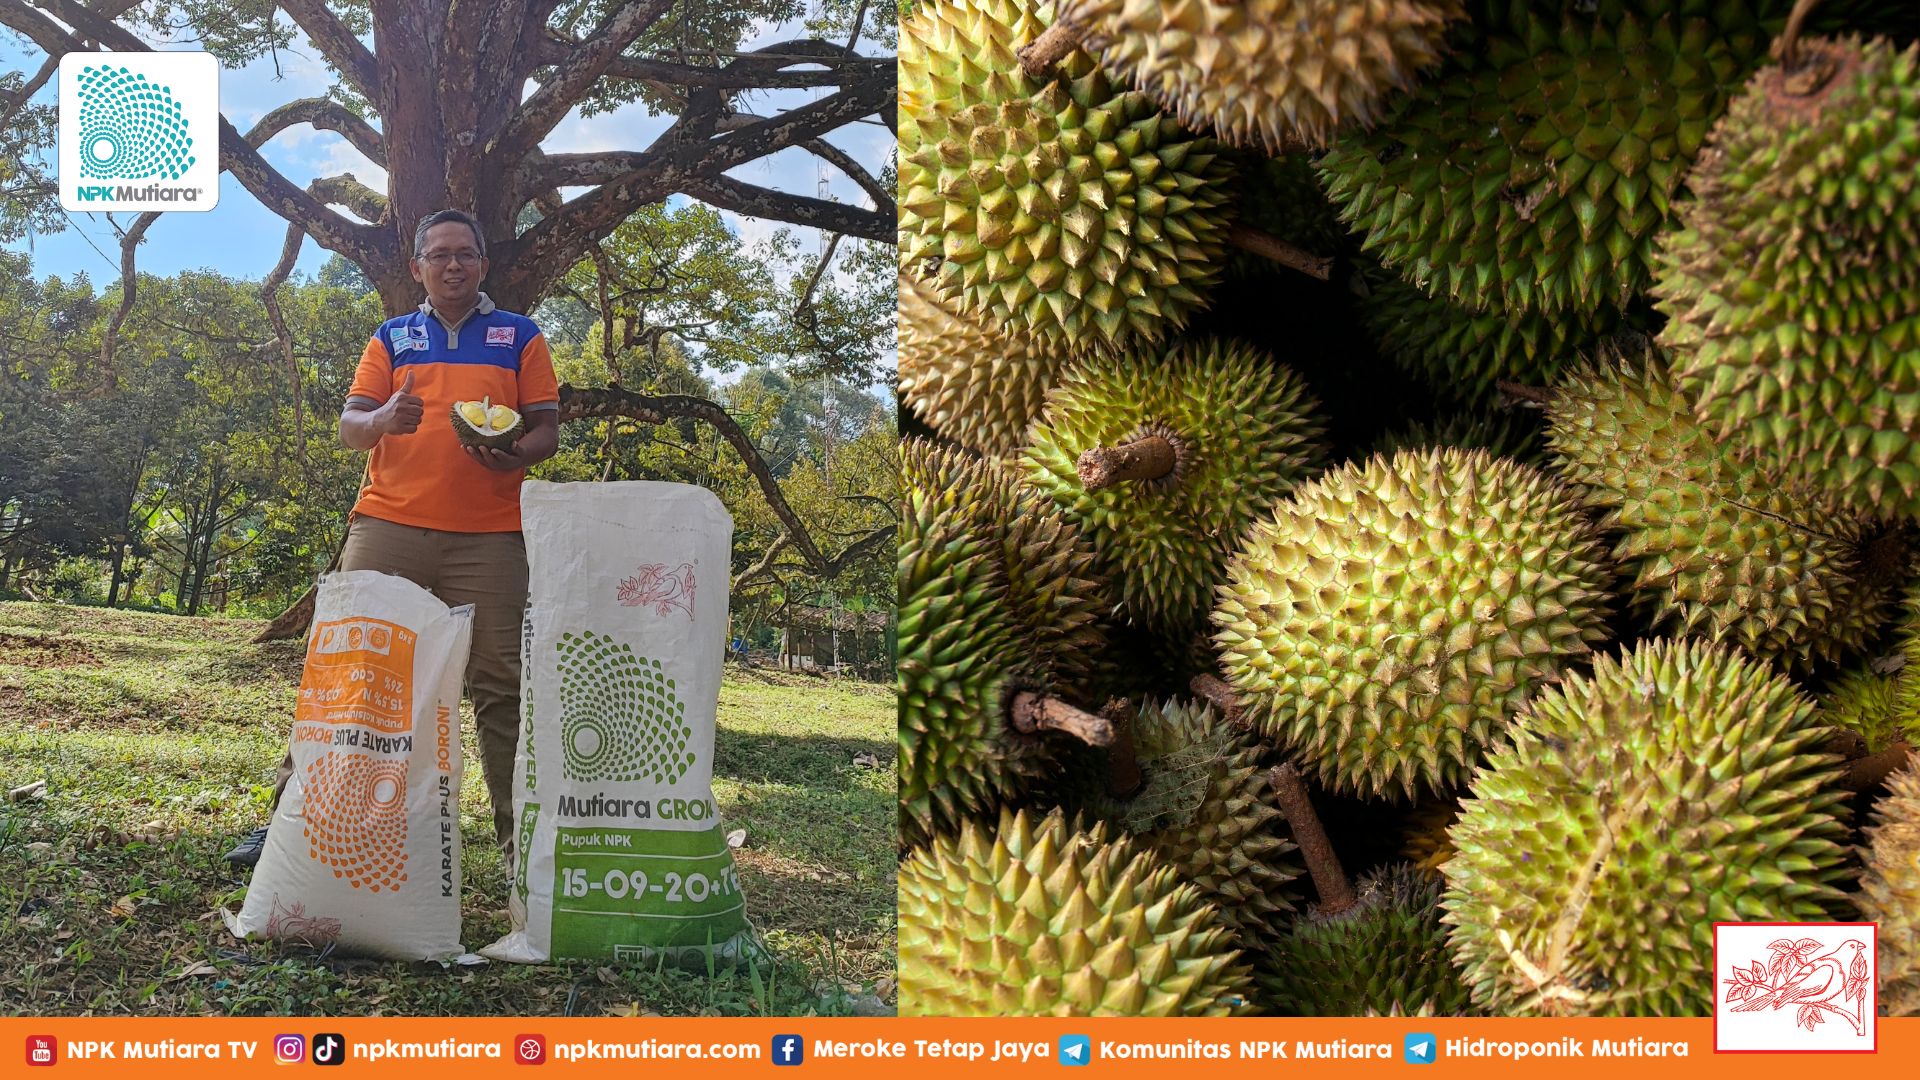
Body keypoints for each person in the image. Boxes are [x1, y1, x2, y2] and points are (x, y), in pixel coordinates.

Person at [224, 209, 560, 866]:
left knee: (499, 684)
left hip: (490, 536)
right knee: (348, 669)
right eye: (439, 255)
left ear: (483, 264)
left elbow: (546, 427)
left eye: (465, 253)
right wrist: (383, 416)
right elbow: (351, 426)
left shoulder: (519, 337)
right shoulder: (392, 338)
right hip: (388, 525)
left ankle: (525, 854)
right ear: (418, 267)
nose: (453, 264)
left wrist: (516, 451)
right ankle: (290, 825)